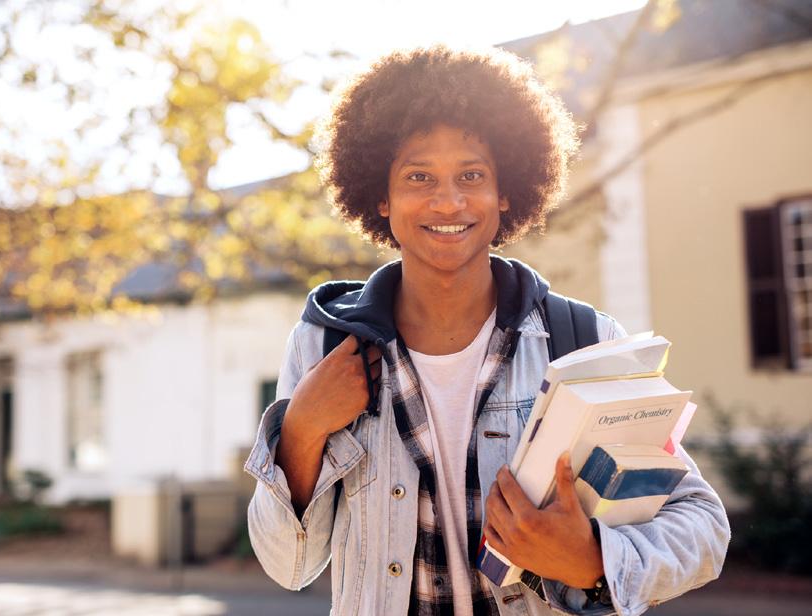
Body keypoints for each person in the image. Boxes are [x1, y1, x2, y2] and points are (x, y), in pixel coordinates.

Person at [244, 46, 729, 616]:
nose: (447, 200)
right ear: (382, 195)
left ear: (505, 192)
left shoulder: (586, 340)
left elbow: (702, 528)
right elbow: (288, 565)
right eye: (418, 175)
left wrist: (594, 561)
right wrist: (300, 430)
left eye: (471, 175)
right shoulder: (324, 344)